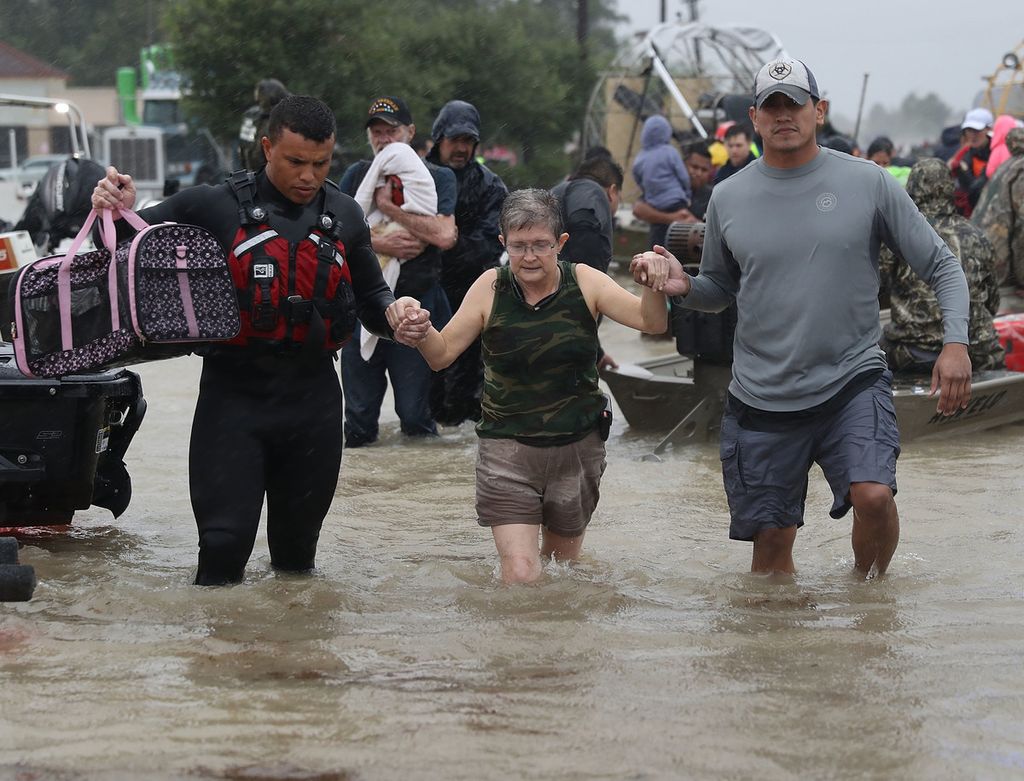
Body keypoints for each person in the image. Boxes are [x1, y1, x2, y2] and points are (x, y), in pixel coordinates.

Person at [634, 57, 972, 578]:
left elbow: (942, 266)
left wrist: (956, 344)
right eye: (772, 106)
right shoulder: (728, 196)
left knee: (875, 495)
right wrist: (682, 286)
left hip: (851, 379)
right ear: (754, 116)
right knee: (770, 553)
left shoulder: (870, 183)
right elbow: (720, 289)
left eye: (795, 103)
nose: (783, 115)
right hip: (762, 394)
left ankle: (870, 598)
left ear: (819, 110)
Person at [92, 95, 415, 585]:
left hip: (314, 407)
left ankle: (289, 660)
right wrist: (113, 207)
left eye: (321, 163)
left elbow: (372, 299)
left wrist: (399, 317)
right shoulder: (213, 204)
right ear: (267, 147)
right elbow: (121, 242)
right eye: (295, 162)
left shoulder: (346, 216)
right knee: (221, 553)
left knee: (297, 563)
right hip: (233, 403)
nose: (309, 176)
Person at [394, 189, 671, 584]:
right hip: (507, 448)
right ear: (503, 243)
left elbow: (651, 322)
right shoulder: (491, 287)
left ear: (560, 243)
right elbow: (441, 355)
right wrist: (419, 329)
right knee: (522, 574)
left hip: (576, 448)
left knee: (564, 571)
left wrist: (653, 283)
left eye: (541, 245)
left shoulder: (585, 282)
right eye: (519, 246)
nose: (529, 257)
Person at [338, 95, 457, 447]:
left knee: (416, 417)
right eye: (376, 131)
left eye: (391, 130)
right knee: (357, 423)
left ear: (410, 132)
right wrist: (382, 244)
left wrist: (390, 207)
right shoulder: (357, 175)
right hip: (363, 307)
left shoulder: (438, 177)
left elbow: (444, 235)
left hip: (418, 309)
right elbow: (334, 234)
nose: (384, 138)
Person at [426, 100, 508, 426]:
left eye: (467, 141)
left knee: (466, 390)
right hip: (421, 290)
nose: (461, 148)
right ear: (438, 139)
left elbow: (486, 247)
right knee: (420, 394)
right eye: (454, 140)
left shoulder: (491, 186)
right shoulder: (414, 176)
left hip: (470, 294)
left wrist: (447, 239)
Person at [880, 158, 1003, 372]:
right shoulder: (977, 234)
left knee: (870, 354)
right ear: (949, 188)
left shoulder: (903, 234)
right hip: (979, 348)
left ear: (913, 188)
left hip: (914, 352)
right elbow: (992, 300)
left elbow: (879, 289)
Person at [551, 154, 625, 369]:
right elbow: (583, 224)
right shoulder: (594, 193)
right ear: (612, 191)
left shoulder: (555, 192)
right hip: (568, 330)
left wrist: (596, 351)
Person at [631, 114, 692, 248]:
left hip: (654, 204)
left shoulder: (640, 158)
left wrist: (649, 192)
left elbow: (638, 178)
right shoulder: (670, 152)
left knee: (658, 238)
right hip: (676, 201)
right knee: (679, 238)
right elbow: (683, 176)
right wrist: (687, 193)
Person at [973, 127, 1024, 286]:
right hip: (1002, 262)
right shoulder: (1021, 169)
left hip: (982, 251)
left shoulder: (1006, 166)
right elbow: (1021, 227)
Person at [238, 78, 289, 171]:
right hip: (256, 172)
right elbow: (244, 146)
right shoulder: (252, 116)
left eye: (262, 98)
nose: (259, 100)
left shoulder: (286, 117)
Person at [951, 107, 993, 216]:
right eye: (969, 130)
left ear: (989, 129)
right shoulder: (963, 155)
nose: (972, 135)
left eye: (977, 130)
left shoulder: (998, 155)